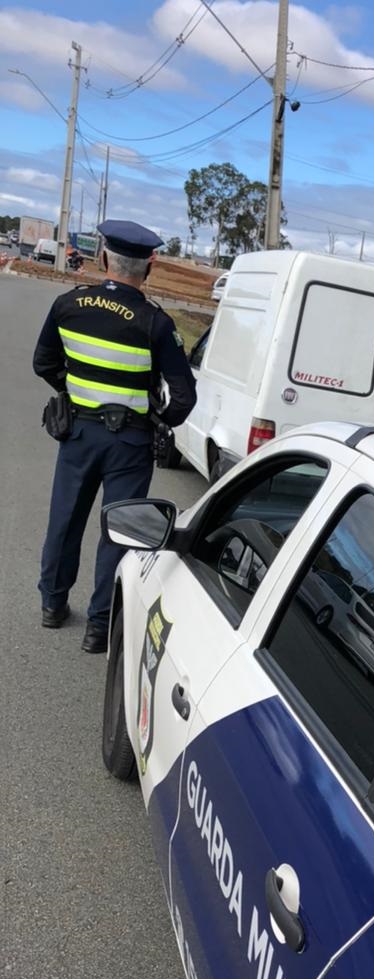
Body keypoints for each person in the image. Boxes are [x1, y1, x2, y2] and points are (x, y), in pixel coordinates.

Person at [33, 219, 197, 653]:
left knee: (65, 517)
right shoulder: (156, 324)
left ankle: (53, 604)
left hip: (78, 433)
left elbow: (43, 363)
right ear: (150, 267)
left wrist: (75, 392)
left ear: (103, 256)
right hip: (130, 442)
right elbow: (183, 398)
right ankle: (98, 627)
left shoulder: (67, 305)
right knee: (119, 529)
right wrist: (160, 416)